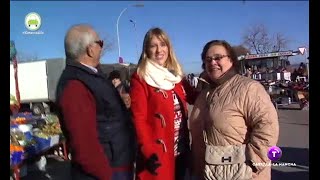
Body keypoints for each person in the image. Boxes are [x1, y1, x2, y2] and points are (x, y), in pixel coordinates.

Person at [189, 40, 279, 180]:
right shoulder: (204, 94)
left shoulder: (249, 88)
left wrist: (253, 164)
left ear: (231, 60)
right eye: (208, 59)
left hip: (241, 173)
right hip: (208, 173)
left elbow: (268, 127)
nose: (212, 62)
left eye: (218, 58)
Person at [55, 24, 136, 180]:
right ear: (90, 49)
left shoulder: (91, 75)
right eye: (100, 43)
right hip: (107, 171)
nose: (102, 47)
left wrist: (118, 105)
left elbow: (101, 112)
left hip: (117, 161)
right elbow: (85, 147)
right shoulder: (75, 86)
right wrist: (106, 175)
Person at [129, 27, 195, 180]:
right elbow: (138, 119)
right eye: (153, 45)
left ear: (169, 48)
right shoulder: (140, 77)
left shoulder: (175, 75)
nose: (159, 50)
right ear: (146, 50)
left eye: (163, 44)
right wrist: (148, 151)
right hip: (158, 154)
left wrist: (214, 84)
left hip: (181, 150)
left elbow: (195, 97)